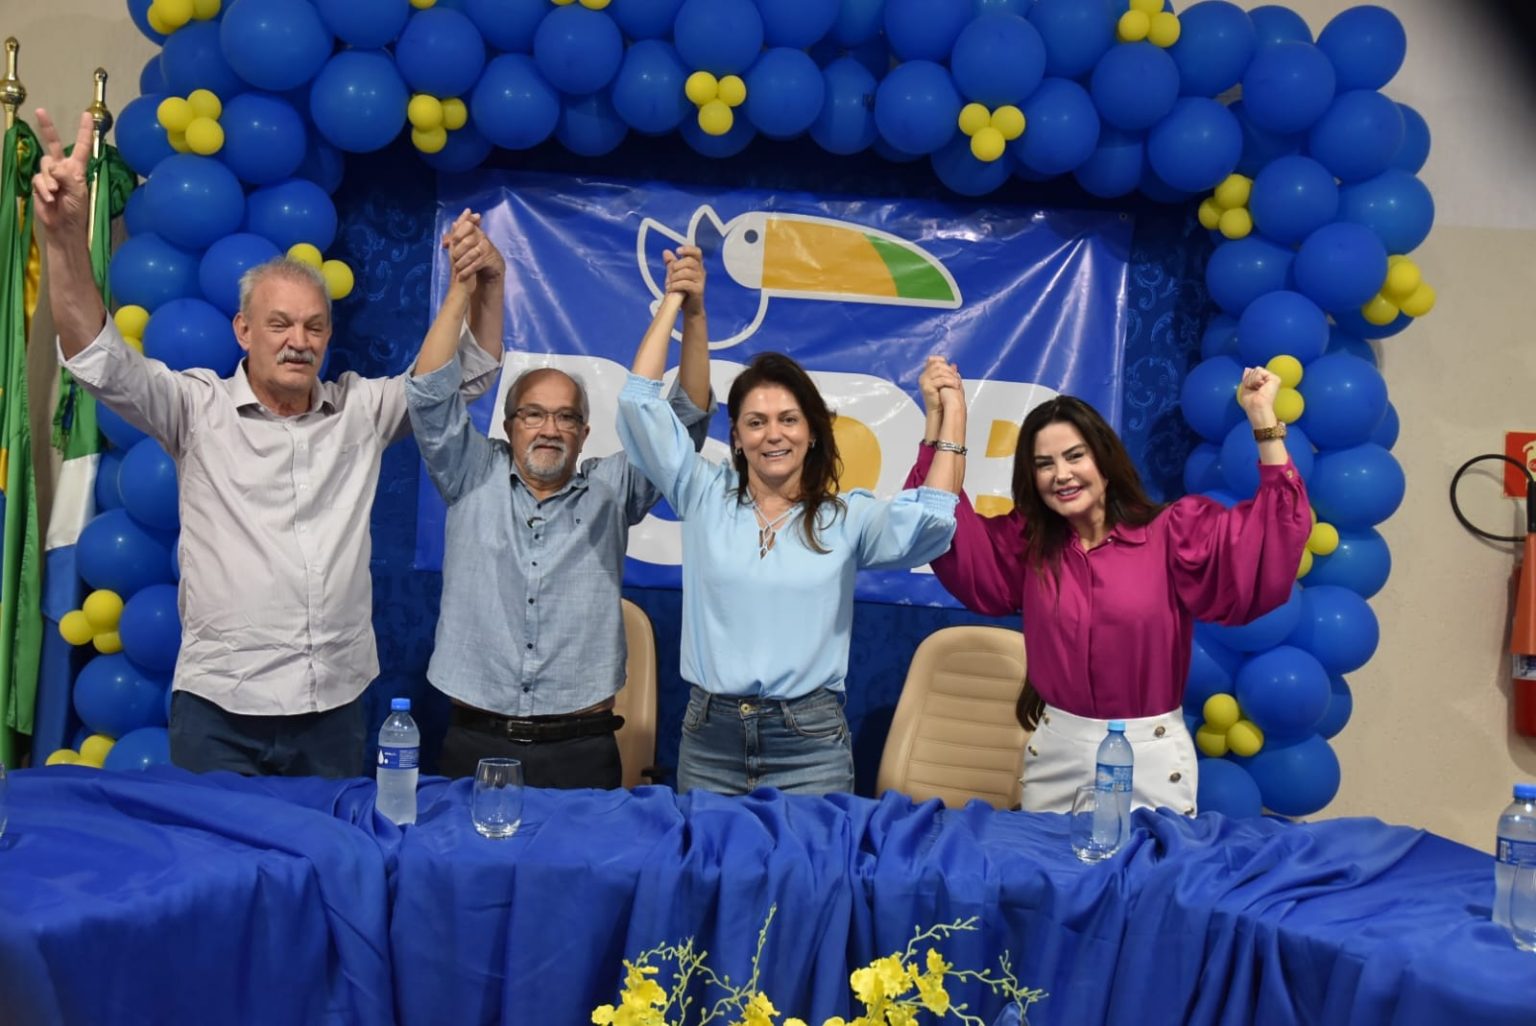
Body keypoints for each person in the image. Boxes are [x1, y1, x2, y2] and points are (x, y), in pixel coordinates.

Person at [33, 109, 503, 778]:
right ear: (243, 331)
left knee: (321, 850)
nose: (298, 341)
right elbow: (97, 358)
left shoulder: (361, 411)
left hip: (333, 709)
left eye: (314, 326)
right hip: (219, 714)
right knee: (215, 850)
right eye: (279, 324)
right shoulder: (195, 408)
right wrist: (63, 239)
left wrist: (489, 285)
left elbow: (468, 375)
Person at [905, 357, 1311, 814]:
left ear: (1105, 460)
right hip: (1056, 752)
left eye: (1074, 456)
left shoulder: (1174, 532)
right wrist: (944, 419)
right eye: (1044, 464)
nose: (1061, 474)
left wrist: (1263, 420)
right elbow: (937, 524)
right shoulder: (1028, 545)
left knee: (1150, 865)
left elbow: (1273, 535)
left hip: (1149, 758)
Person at [616, 283, 966, 796]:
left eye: (788, 419)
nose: (773, 434)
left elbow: (933, 521)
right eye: (755, 423)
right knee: (709, 855)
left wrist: (953, 412)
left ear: (813, 432)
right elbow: (638, 405)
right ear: (737, 438)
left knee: (812, 855)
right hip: (710, 741)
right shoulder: (702, 491)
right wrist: (677, 301)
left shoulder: (846, 518)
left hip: (810, 746)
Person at [407, 243, 715, 788]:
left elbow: (684, 421)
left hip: (582, 747)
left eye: (566, 417)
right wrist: (461, 287)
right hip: (474, 741)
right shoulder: (470, 472)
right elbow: (430, 394)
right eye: (533, 414)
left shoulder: (612, 489)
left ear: (584, 433)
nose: (550, 429)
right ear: (509, 425)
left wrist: (693, 315)